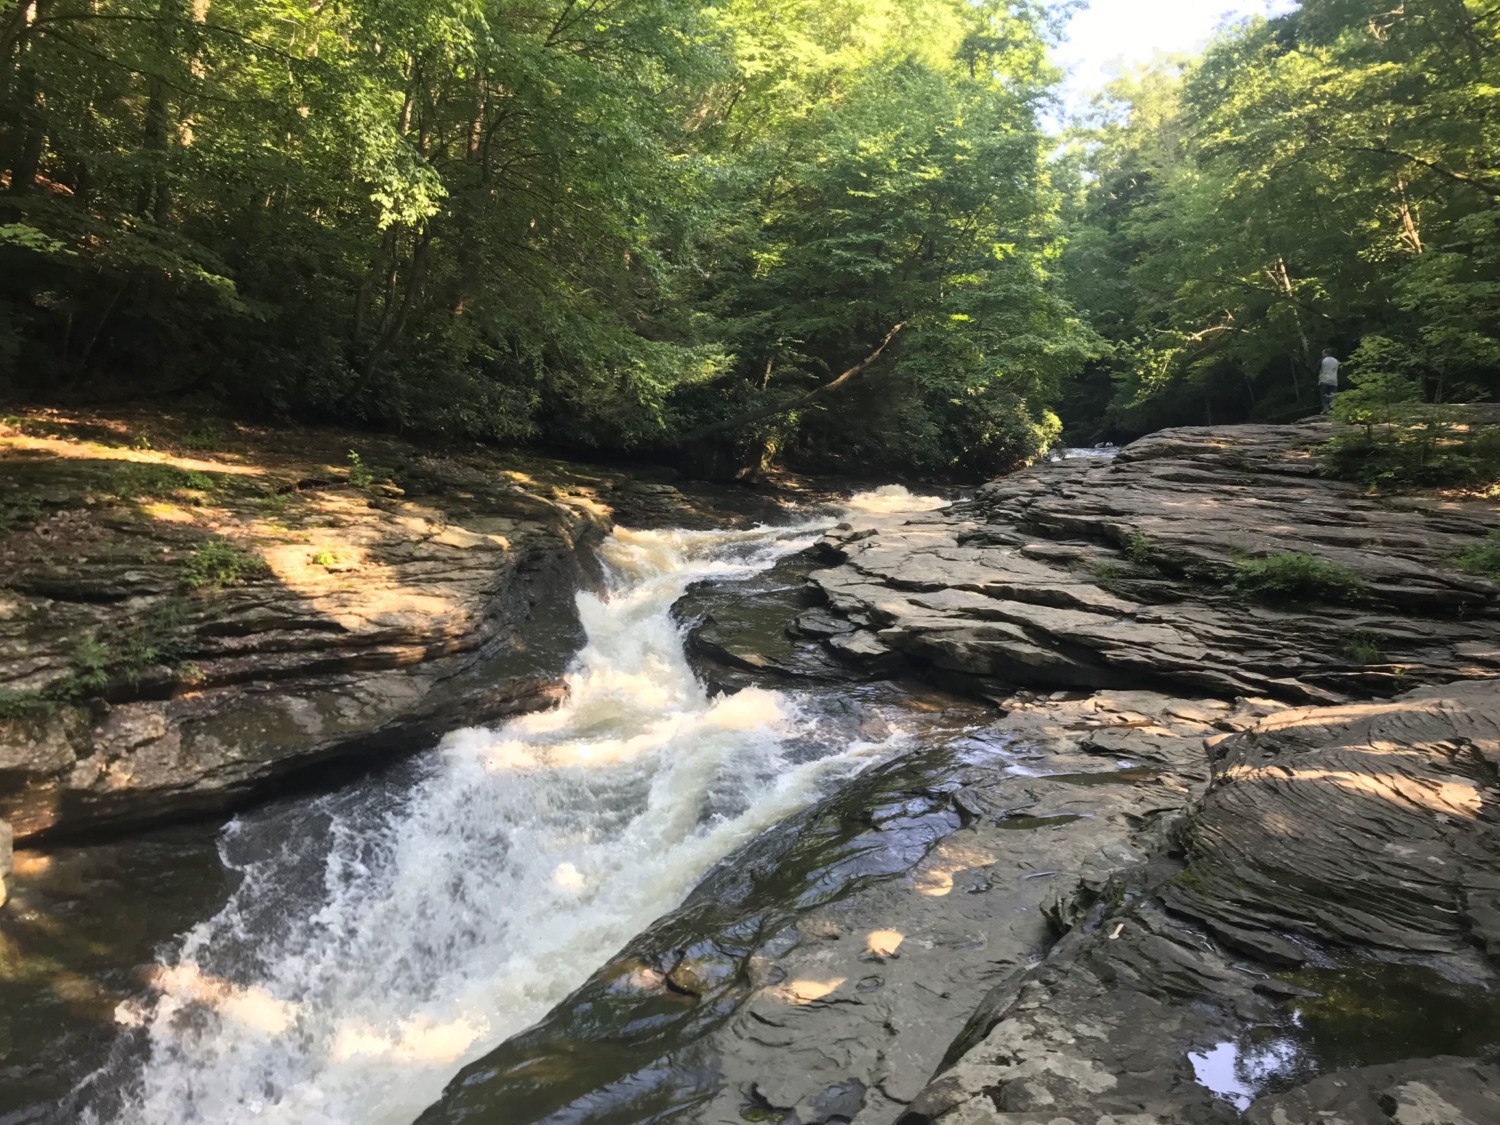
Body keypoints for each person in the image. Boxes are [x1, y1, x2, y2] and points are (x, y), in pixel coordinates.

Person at [1318, 349, 1340, 413]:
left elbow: (1317, 369)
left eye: (1323, 353)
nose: (1322, 355)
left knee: (1324, 395)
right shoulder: (1336, 361)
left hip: (1324, 380)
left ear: (1326, 353)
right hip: (1334, 381)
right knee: (1332, 395)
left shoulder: (1322, 360)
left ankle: (1326, 409)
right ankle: (1333, 409)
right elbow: (1338, 370)